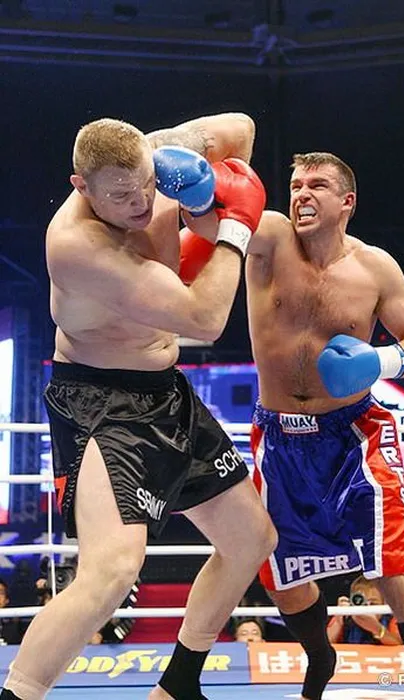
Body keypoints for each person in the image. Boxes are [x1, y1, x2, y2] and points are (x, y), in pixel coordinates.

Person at [0, 112, 277, 700]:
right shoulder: (77, 246)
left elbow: (242, 127)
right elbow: (205, 318)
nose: (141, 203)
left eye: (148, 186)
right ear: (81, 187)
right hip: (101, 403)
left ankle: (177, 686)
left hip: (165, 390)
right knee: (112, 570)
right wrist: (231, 228)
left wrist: (199, 184)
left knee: (251, 540)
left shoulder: (156, 162)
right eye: (122, 196)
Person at [180, 151, 404, 700]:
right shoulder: (268, 237)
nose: (302, 195)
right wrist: (195, 190)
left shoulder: (375, 268)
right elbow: (207, 223)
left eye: (316, 186)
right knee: (284, 581)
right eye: (296, 186)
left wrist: (380, 361)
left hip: (356, 437)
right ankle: (320, 656)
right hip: (279, 438)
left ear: (347, 202)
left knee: (395, 574)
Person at [327, 575, 401, 645]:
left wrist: (376, 628)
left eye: (373, 604)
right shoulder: (344, 618)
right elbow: (326, 644)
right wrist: (338, 621)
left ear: (383, 603)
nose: (367, 608)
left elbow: (400, 645)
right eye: (362, 603)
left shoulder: (392, 620)